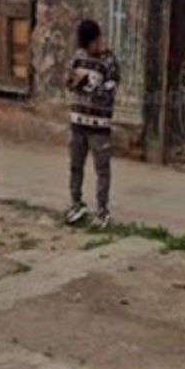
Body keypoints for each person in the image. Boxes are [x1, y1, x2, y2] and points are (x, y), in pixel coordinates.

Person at [65, 19, 120, 229]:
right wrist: (74, 81)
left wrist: (88, 85)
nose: (91, 48)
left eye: (93, 43)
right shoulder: (78, 57)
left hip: (99, 126)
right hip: (77, 121)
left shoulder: (109, 62)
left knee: (102, 169)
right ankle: (76, 204)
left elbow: (109, 93)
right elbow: (68, 82)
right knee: (75, 166)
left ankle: (102, 210)